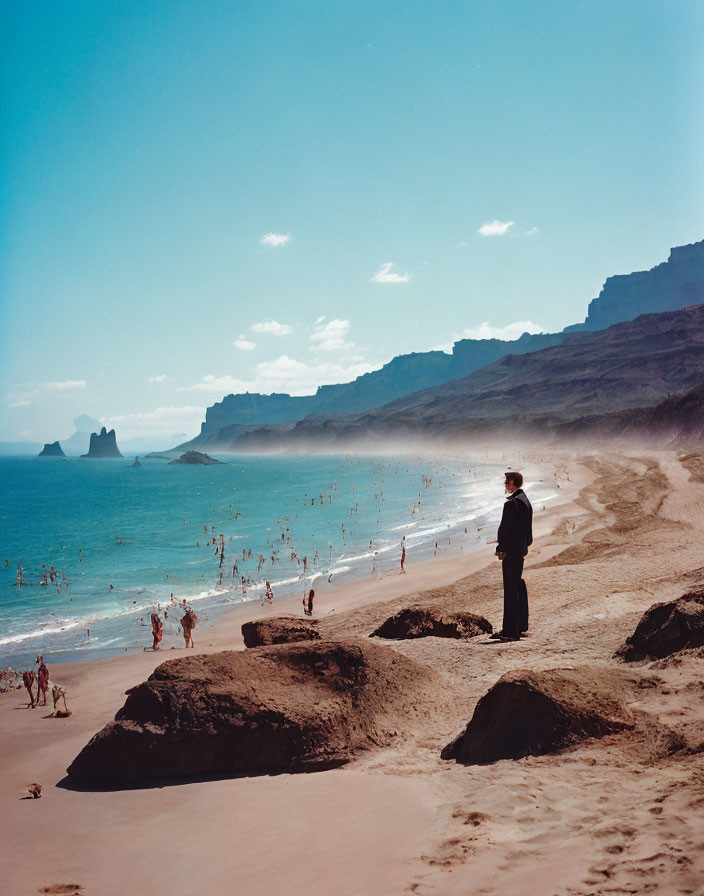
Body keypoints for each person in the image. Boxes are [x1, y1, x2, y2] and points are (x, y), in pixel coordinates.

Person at [491, 471, 532, 642]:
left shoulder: (511, 504)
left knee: (511, 589)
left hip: (511, 551)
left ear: (513, 482)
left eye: (506, 482)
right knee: (518, 585)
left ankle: (510, 630)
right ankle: (521, 625)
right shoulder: (525, 501)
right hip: (521, 549)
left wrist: (501, 547)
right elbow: (526, 531)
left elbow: (504, 529)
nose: (505, 484)